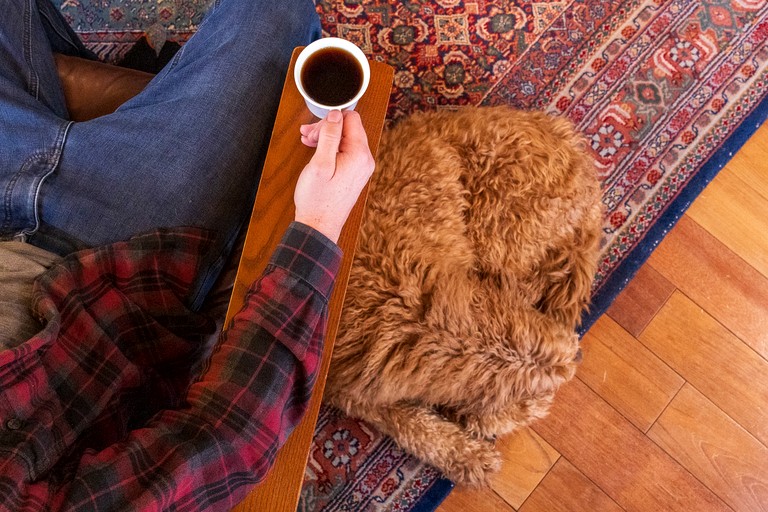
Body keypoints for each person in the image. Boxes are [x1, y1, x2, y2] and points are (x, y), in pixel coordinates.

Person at [0, 0, 375, 510]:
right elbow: (228, 439)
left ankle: (101, 84)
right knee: (274, 12)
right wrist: (318, 226)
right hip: (117, 253)